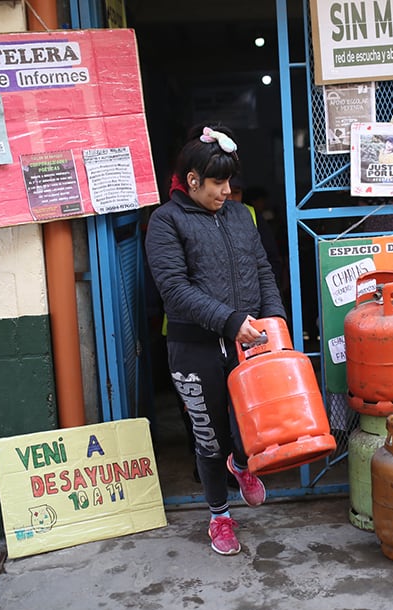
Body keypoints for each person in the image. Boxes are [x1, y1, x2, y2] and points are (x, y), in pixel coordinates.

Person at [144, 124, 287, 556]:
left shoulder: (242, 216)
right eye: (219, 183)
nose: (228, 190)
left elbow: (262, 268)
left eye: (230, 181)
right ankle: (219, 517)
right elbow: (175, 290)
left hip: (249, 339)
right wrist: (228, 321)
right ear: (192, 181)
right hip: (195, 345)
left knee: (253, 424)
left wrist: (275, 320)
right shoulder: (165, 222)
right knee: (209, 437)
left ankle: (240, 465)